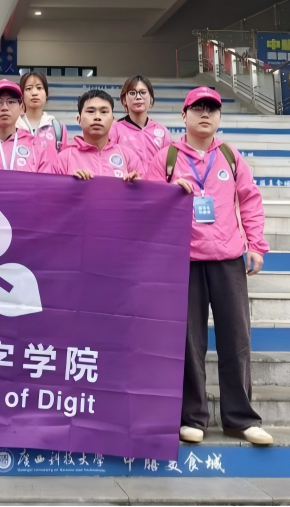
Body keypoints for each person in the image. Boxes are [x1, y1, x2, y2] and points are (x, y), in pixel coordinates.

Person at [145, 86, 273, 446]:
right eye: (197, 108)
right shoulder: (167, 157)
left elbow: (250, 200)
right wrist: (170, 190)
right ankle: (192, 417)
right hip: (183, 260)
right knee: (189, 342)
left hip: (228, 259)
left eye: (212, 109)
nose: (205, 114)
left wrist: (256, 246)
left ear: (219, 117)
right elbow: (147, 203)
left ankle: (241, 418)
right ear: (183, 115)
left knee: (236, 338)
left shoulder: (230, 156)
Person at [49, 89, 143, 181]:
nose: (97, 117)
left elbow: (145, 188)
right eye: (91, 111)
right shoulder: (63, 159)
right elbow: (52, 189)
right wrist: (71, 184)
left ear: (112, 120)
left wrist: (137, 185)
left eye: (104, 112)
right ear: (79, 119)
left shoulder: (128, 156)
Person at [110, 75, 172, 170]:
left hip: (156, 180)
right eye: (132, 93)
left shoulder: (163, 132)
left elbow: (170, 166)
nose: (138, 97)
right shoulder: (115, 130)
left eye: (143, 92)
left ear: (151, 98)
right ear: (124, 100)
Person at [16, 72, 67, 156]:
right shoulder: (13, 127)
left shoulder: (58, 128)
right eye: (28, 88)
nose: (34, 93)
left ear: (46, 94)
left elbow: (63, 160)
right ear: (22, 95)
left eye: (39, 88)